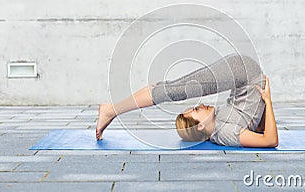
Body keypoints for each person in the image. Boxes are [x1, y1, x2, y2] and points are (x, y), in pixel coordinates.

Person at [96, 53, 278, 147]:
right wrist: (267, 101)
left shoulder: (218, 128)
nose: (199, 105)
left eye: (194, 108)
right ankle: (111, 110)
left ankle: (112, 109)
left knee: (172, 89)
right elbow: (268, 140)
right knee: (173, 90)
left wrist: (263, 99)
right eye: (196, 111)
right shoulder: (224, 133)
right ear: (200, 126)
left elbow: (257, 127)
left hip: (243, 73)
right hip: (243, 72)